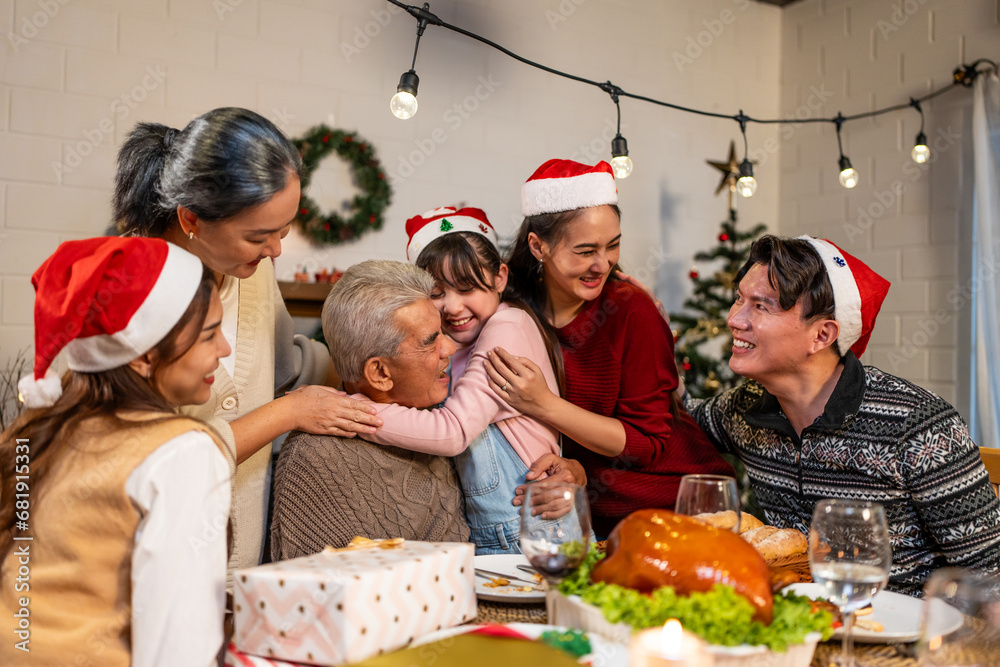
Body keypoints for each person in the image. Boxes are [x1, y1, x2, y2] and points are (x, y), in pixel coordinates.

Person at [112, 107, 381, 572]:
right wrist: (289, 412)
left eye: (284, 230)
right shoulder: (127, 294)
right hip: (156, 564)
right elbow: (145, 458)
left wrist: (379, 361)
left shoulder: (250, 271)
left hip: (241, 558)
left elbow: (287, 365)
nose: (276, 249)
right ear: (191, 218)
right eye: (259, 235)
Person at [685, 234, 1000, 596]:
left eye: (761, 306)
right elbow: (672, 416)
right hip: (801, 627)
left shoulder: (921, 427)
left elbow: (990, 581)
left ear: (821, 335)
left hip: (901, 638)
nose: (734, 319)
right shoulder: (745, 408)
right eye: (739, 298)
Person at [0, 237, 232, 666]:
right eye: (210, 335)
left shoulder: (33, 430)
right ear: (145, 356)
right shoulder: (182, 453)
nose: (225, 349)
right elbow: (179, 649)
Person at [486, 159, 734, 537]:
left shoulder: (632, 310)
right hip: (590, 519)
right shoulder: (511, 306)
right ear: (539, 246)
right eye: (585, 251)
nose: (602, 264)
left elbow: (646, 443)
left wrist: (544, 404)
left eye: (613, 245)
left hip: (679, 509)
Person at [354, 207, 580, 554]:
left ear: (499, 278)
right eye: (437, 292)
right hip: (495, 532)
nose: (453, 307)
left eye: (467, 287)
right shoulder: (454, 345)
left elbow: (453, 431)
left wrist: (353, 411)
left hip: (532, 529)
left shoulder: (508, 329)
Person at [270, 260, 471, 560]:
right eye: (431, 342)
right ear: (380, 373)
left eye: (442, 331)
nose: (450, 348)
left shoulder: (446, 413)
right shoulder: (316, 459)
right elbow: (322, 593)